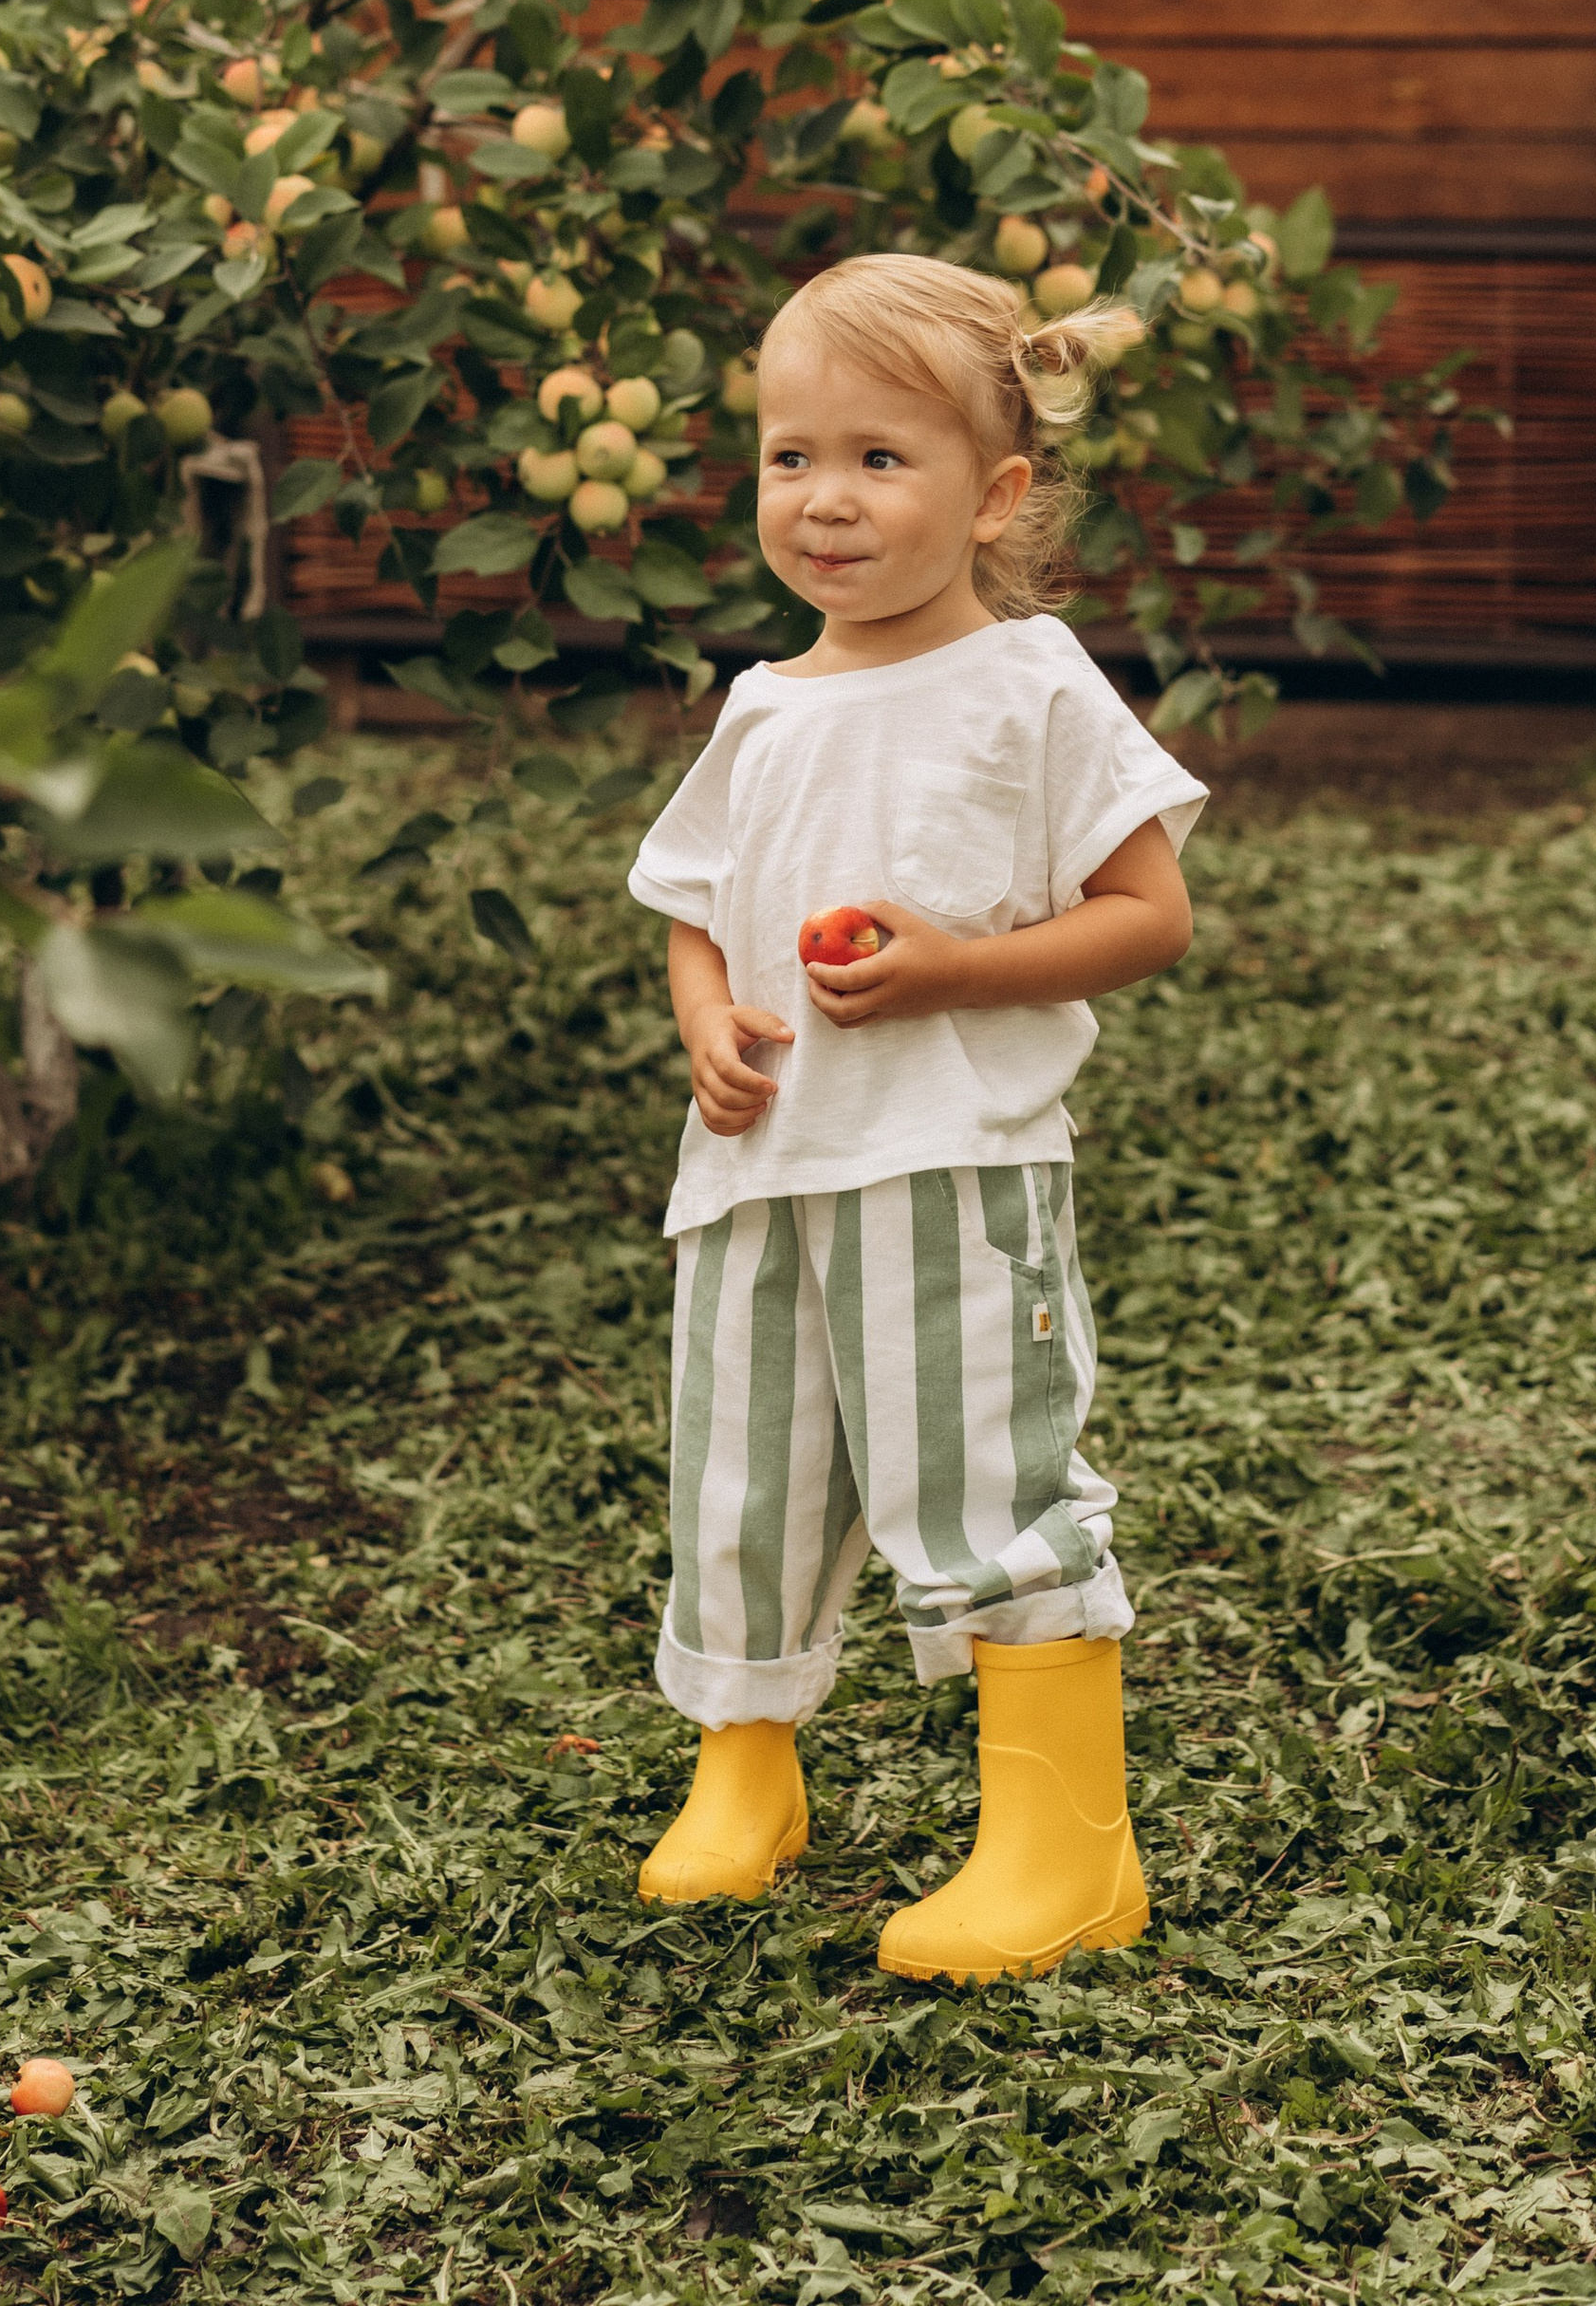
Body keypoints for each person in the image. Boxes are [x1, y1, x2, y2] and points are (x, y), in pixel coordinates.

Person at [625, 251, 1204, 1982]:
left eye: (880, 459)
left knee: (983, 1485)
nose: (826, 499)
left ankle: (1067, 1846)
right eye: (791, 457)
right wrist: (708, 1020)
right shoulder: (764, 704)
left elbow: (1149, 914)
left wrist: (961, 967)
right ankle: (746, 1774)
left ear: (994, 493)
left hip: (951, 1170)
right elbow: (692, 905)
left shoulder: (1031, 685)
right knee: (743, 1486)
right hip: (757, 1172)